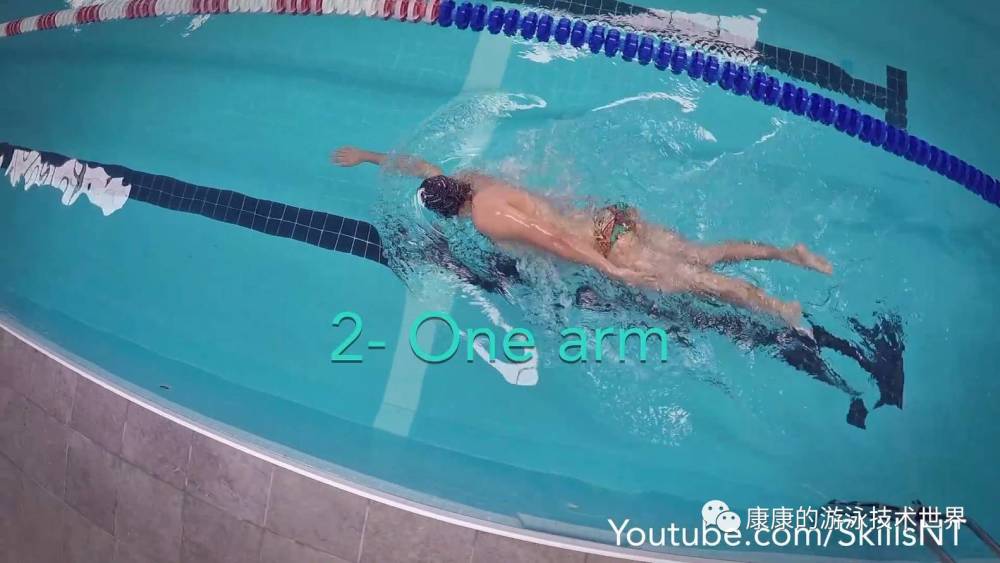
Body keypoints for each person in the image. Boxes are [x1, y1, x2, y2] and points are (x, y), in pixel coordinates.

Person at [332, 146, 832, 329]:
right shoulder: (471, 179)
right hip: (610, 218)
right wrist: (369, 157)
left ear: (449, 212)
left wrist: (611, 270)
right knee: (700, 255)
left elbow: (554, 242)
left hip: (605, 245)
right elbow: (421, 166)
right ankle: (784, 253)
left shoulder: (484, 218)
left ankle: (778, 307)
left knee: (699, 282)